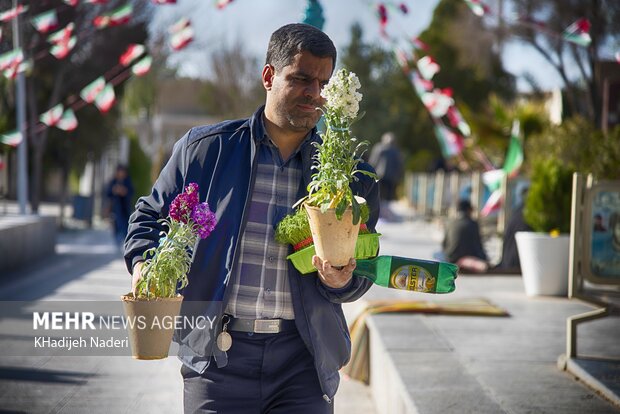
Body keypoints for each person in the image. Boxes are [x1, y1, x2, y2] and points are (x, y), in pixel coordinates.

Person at [124, 23, 379, 413]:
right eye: (301, 78)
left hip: (303, 363)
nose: (315, 93)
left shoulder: (348, 176)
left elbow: (363, 267)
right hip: (216, 359)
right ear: (268, 76)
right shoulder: (204, 150)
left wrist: (342, 279)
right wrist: (144, 264)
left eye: (323, 83)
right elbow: (147, 217)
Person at [441, 199, 489, 273]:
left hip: (450, 259)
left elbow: (444, 244)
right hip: (467, 259)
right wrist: (485, 259)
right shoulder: (472, 224)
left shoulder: (450, 223)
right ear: (469, 210)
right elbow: (478, 246)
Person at [369, 131, 404, 221]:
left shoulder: (378, 148)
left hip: (379, 175)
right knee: (387, 197)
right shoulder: (396, 150)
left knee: (379, 196)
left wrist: (369, 174)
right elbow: (399, 165)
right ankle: (385, 215)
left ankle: (381, 215)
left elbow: (373, 162)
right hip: (391, 177)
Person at [106, 165, 134, 247]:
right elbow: (108, 193)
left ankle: (125, 242)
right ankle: (117, 242)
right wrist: (114, 190)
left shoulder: (127, 181)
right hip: (115, 209)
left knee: (125, 225)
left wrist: (124, 191)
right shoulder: (114, 181)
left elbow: (131, 193)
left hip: (125, 208)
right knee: (116, 226)